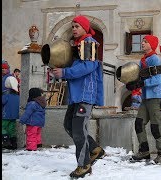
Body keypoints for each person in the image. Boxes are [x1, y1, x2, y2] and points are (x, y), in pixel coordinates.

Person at [51, 15, 105, 178]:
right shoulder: (76, 45)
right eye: (73, 26)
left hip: (86, 93)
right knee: (69, 125)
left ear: (85, 28)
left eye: (77, 26)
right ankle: (94, 149)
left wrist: (65, 72)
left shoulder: (89, 43)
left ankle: (84, 165)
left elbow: (88, 67)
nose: (74, 29)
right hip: (75, 94)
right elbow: (73, 66)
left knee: (79, 130)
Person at [126, 35, 161, 164]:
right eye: (142, 41)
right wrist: (133, 83)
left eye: (145, 41)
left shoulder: (155, 59)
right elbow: (140, 78)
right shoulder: (142, 60)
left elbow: (157, 80)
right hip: (145, 97)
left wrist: (141, 84)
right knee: (139, 123)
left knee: (156, 127)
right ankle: (144, 151)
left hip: (156, 96)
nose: (142, 43)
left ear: (152, 44)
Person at [2, 76, 20, 150]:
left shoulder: (6, 95)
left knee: (3, 127)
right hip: (14, 115)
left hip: (5, 115)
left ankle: (6, 142)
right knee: (12, 129)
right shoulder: (17, 95)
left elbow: (2, 102)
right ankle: (14, 143)